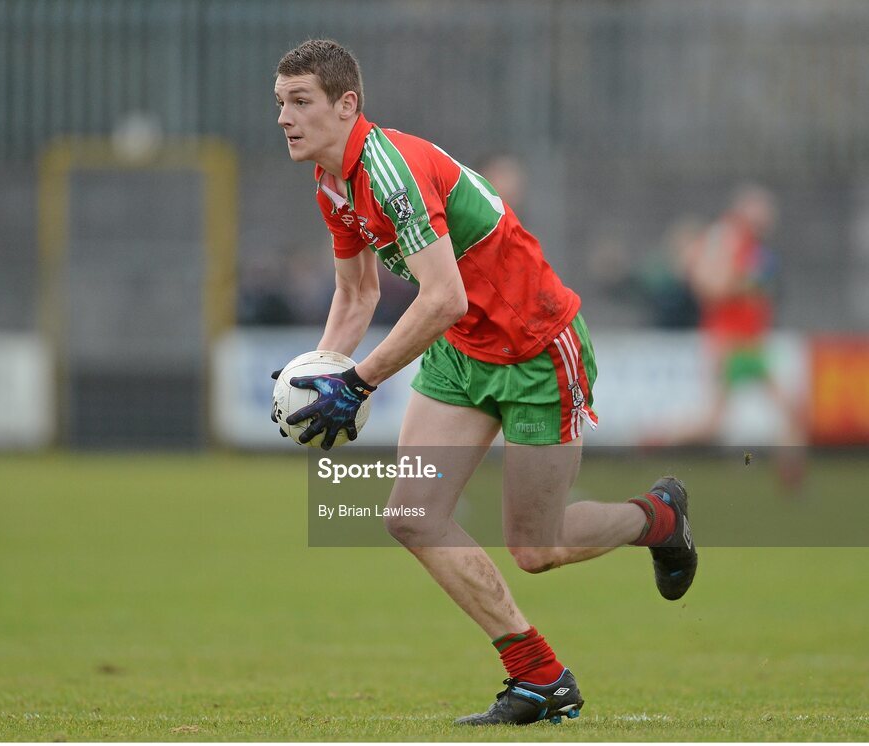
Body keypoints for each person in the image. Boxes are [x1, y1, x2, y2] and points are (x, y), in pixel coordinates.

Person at [271, 39, 697, 726]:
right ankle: (538, 678)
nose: (285, 118)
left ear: (347, 104)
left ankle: (659, 518)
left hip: (535, 346)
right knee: (411, 517)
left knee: (538, 547)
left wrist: (360, 381)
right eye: (280, 103)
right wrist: (317, 377)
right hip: (462, 355)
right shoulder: (329, 182)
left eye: (300, 102)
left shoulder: (389, 170)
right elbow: (355, 297)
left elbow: (444, 298)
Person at [662, 186, 806, 472]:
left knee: (784, 410)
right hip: (731, 341)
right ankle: (654, 439)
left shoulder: (748, 243)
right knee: (716, 424)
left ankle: (793, 482)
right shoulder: (727, 237)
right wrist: (746, 283)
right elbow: (710, 287)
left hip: (748, 340)